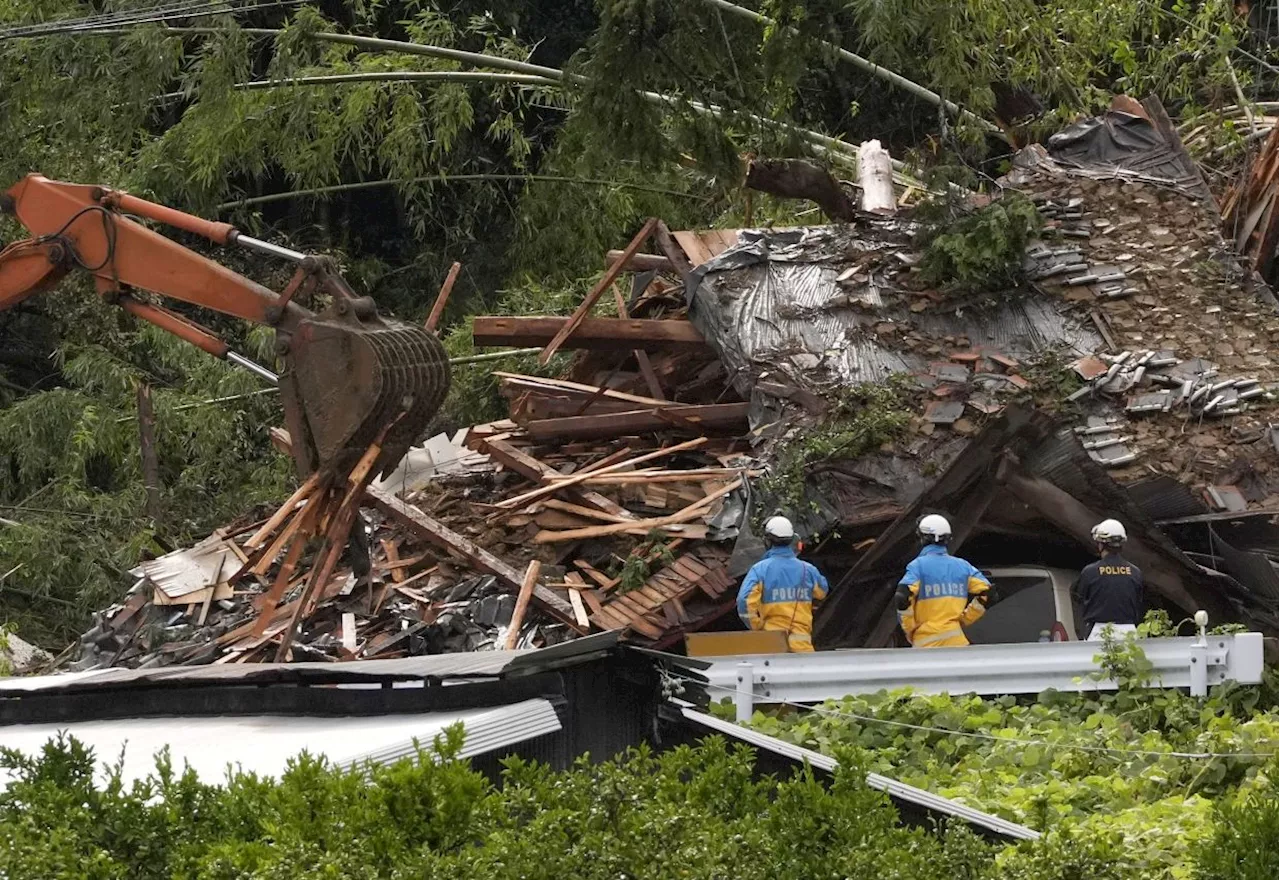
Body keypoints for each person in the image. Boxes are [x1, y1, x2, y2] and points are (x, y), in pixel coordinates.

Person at [895, 514, 990, 648]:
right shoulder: (963, 566)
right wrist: (964, 620)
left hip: (926, 644)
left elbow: (902, 597)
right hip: (957, 641)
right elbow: (989, 593)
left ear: (922, 538)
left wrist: (910, 629)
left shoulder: (918, 566)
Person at [736, 516, 829, 652]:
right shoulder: (807, 570)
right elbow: (822, 592)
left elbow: (744, 601)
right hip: (803, 649)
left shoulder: (760, 570)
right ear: (792, 539)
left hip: (772, 647)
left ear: (767, 541)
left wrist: (757, 626)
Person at [1074, 519, 1144, 640]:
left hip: (1098, 633)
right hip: (1129, 633)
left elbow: (1079, 597)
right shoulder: (1135, 572)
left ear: (1101, 544)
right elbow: (1139, 601)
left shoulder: (1090, 572)